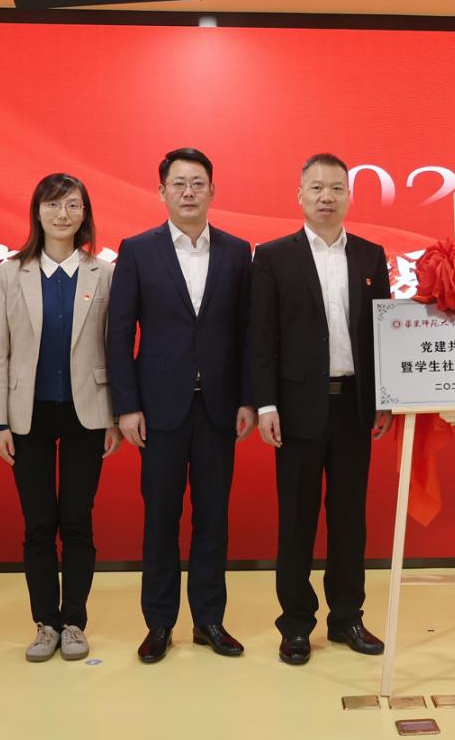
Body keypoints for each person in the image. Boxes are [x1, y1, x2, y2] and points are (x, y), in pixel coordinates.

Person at [107, 148, 256, 664]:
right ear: (162, 191)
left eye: (197, 183)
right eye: (178, 184)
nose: (188, 192)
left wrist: (247, 399)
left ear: (212, 191)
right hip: (158, 410)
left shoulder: (237, 251)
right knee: (161, 520)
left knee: (213, 519)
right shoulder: (137, 250)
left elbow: (247, 334)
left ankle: (209, 620)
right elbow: (119, 333)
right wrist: (127, 406)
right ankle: (159, 623)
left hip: (219, 408)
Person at [249, 153, 392, 666]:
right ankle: (295, 624)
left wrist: (385, 397)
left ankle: (347, 617)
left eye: (336, 188)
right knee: (297, 520)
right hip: (296, 407)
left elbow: (383, 333)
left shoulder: (371, 256)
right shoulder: (273, 256)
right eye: (316, 188)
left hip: (354, 404)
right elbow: (261, 336)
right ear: (300, 195)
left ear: (349, 195)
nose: (326, 197)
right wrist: (266, 403)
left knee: (350, 519)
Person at [0, 173, 119, 664]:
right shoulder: (11, 273)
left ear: (85, 214)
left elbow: (115, 348)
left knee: (78, 520)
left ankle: (74, 621)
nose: (63, 214)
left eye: (73, 205)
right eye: (53, 205)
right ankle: (45, 622)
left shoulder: (103, 273)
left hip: (87, 412)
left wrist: (113, 416)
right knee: (39, 522)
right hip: (28, 415)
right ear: (37, 212)